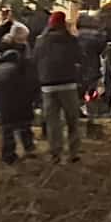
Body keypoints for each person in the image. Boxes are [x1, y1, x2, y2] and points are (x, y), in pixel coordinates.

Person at [34, 10, 84, 162]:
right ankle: (73, 152)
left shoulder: (40, 40)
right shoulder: (71, 40)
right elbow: (80, 58)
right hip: (68, 83)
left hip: (48, 85)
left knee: (53, 121)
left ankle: (55, 152)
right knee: (72, 120)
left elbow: (35, 59)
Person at [0, 23, 39, 162]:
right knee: (19, 124)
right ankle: (21, 150)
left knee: (10, 126)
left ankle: (11, 152)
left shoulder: (5, 50)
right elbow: (27, 73)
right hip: (18, 92)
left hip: (7, 94)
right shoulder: (17, 53)